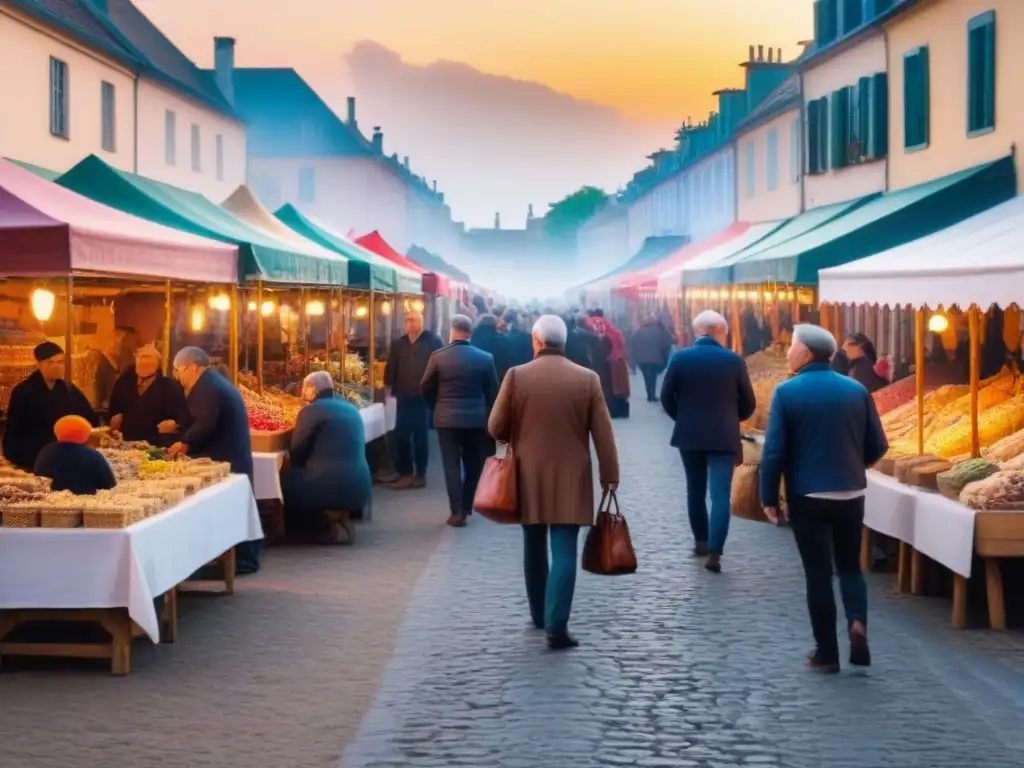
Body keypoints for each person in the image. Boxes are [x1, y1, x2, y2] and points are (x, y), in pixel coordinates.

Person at [760, 324, 888, 673]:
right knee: (850, 566)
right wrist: (851, 465)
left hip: (808, 494)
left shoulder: (787, 392)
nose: (788, 352)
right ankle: (857, 622)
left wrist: (768, 495)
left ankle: (827, 652)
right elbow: (878, 445)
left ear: (806, 353)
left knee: (818, 573)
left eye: (792, 347)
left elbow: (773, 452)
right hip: (850, 492)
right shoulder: (856, 390)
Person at [489, 315, 618, 650]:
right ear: (564, 343)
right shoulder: (587, 379)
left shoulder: (516, 376)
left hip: (526, 472)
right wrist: (610, 476)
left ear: (536, 340)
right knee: (564, 549)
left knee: (533, 543)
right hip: (572, 476)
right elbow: (603, 434)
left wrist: (508, 444)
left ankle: (537, 613)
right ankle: (556, 624)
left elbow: (495, 426)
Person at [660, 310, 756, 573]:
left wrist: (682, 417)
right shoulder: (734, 361)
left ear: (697, 331)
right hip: (723, 435)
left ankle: (701, 541)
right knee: (720, 494)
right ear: (720, 332)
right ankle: (716, 550)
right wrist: (734, 417)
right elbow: (749, 402)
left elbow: (666, 396)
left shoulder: (681, 358)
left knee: (695, 489)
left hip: (689, 434)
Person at [168, 347, 261, 574]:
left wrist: (184, 443)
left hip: (227, 459)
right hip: (232, 455)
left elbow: (206, 424)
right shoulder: (213, 383)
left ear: (191, 367)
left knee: (232, 512)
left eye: (178, 370)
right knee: (236, 510)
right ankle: (239, 559)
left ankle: (243, 561)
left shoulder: (207, 388)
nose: (177, 377)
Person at [421, 314, 499, 527]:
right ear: (469, 334)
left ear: (452, 331)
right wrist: (484, 410)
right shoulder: (485, 358)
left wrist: (435, 406)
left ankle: (456, 512)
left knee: (451, 466)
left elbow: (425, 386)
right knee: (473, 465)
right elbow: (493, 390)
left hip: (446, 420)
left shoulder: (438, 357)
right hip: (475, 421)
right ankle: (466, 505)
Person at [281, 371, 372, 540]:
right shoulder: (351, 408)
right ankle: (331, 518)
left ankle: (308, 528)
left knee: (282, 481)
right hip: (361, 486)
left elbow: (296, 451)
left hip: (327, 486)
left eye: (304, 388)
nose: (301, 393)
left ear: (312, 389)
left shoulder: (311, 411)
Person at [2, 341, 98, 471]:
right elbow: (14, 432)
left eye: (60, 362)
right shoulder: (23, 391)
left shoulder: (68, 389)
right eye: (50, 362)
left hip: (66, 456)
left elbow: (88, 416)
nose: (56, 366)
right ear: (39, 365)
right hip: (33, 459)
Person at [384, 311, 443, 489]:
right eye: (408, 320)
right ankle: (405, 472)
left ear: (422, 322)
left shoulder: (433, 341)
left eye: (414, 320)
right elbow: (391, 368)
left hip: (423, 398)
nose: (411, 323)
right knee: (401, 435)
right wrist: (388, 389)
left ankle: (420, 474)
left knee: (420, 437)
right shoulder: (399, 344)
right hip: (402, 397)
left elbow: (440, 367)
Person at [108, 344, 191, 447]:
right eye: (140, 356)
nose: (143, 361)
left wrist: (175, 425)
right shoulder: (124, 382)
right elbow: (114, 408)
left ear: (158, 364)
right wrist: (115, 416)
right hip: (125, 444)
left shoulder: (170, 387)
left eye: (148, 357)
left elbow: (183, 419)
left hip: (154, 446)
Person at [34, 415, 117, 495]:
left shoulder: (45, 451)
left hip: (49, 501)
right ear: (86, 434)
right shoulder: (94, 456)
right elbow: (110, 486)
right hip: (86, 503)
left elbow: (38, 476)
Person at [631, 314, 675, 402]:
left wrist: (634, 360)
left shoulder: (638, 332)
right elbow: (670, 341)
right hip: (655, 359)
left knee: (646, 377)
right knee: (653, 377)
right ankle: (652, 395)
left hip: (642, 360)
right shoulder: (660, 331)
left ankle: (649, 395)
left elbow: (633, 344)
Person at [470, 314, 511, 381]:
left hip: (476, 378)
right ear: (495, 326)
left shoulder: (472, 339)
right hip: (498, 378)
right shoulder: (503, 340)